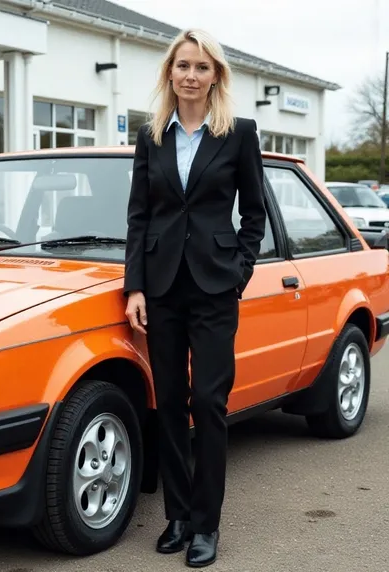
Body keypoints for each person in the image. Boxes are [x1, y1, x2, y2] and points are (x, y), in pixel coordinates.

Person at [123, 29, 266, 567]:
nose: (190, 75)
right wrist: (134, 284)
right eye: (182, 65)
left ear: (216, 76)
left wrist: (238, 273)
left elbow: (255, 215)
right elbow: (139, 217)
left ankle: (207, 524)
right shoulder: (150, 136)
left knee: (208, 403)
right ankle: (177, 517)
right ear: (170, 72)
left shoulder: (238, 134)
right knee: (169, 402)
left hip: (214, 286)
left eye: (201, 67)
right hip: (160, 288)